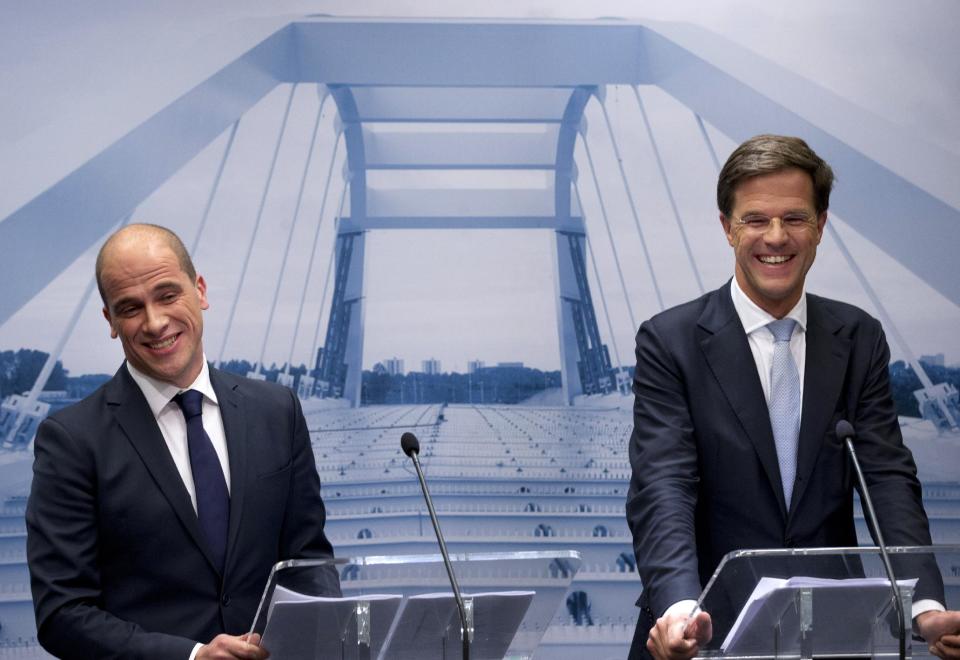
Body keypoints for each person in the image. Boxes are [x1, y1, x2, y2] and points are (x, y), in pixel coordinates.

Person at [625, 135, 960, 660]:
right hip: (703, 633)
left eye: (795, 218)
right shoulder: (671, 341)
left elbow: (887, 479)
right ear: (727, 227)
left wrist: (925, 607)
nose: (776, 237)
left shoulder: (860, 337)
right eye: (755, 219)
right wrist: (680, 610)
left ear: (821, 226)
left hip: (832, 632)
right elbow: (663, 484)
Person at [26, 223, 336, 659]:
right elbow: (62, 613)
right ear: (110, 321)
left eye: (168, 295)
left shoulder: (277, 411)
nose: (155, 322)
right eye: (131, 307)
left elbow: (309, 564)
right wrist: (191, 657)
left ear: (201, 290)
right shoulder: (72, 441)